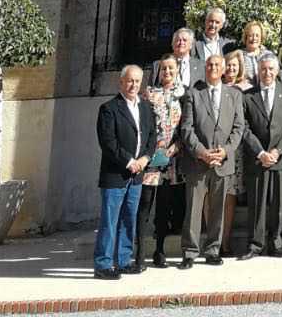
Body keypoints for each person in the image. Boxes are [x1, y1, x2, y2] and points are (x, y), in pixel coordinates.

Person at [178, 52, 244, 268]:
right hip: (198, 162)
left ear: (224, 68)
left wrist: (225, 151)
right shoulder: (193, 94)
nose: (213, 68)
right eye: (209, 64)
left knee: (218, 209)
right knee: (194, 209)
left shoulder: (234, 95)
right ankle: (189, 252)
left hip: (222, 162)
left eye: (217, 64)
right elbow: (186, 128)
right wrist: (201, 152)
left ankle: (213, 250)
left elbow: (238, 127)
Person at [94, 65, 156, 280]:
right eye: (130, 81)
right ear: (121, 82)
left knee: (129, 219)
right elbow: (108, 143)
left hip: (137, 174)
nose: (133, 85)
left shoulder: (146, 108)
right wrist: (130, 162)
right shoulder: (109, 108)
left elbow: (151, 137)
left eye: (137, 81)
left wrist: (145, 159)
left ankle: (123, 260)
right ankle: (103, 264)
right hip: (115, 174)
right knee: (110, 221)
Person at [239, 51, 282, 260]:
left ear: (277, 70)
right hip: (257, 158)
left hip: (280, 158)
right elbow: (244, 127)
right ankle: (255, 244)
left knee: (279, 205)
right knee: (257, 203)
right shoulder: (248, 96)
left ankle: (276, 242)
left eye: (271, 68)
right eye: (263, 69)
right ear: (258, 71)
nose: (267, 72)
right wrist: (260, 152)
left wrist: (278, 151)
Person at [136, 54, 184, 269]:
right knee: (145, 204)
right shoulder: (149, 94)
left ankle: (160, 250)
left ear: (177, 71)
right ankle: (139, 253)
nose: (167, 72)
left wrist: (177, 146)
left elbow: (187, 125)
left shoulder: (183, 94)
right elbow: (143, 125)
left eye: (171, 69)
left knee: (165, 206)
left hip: (172, 159)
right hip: (152, 157)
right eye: (164, 69)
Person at [219, 48, 252, 255]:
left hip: (236, 148)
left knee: (230, 194)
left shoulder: (246, 90)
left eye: (234, 65)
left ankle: (225, 241)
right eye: (228, 65)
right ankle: (214, 239)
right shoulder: (215, 87)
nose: (231, 69)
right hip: (215, 148)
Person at [150, 27, 197, 96]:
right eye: (178, 40)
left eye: (184, 40)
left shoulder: (201, 66)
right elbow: (150, 89)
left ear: (191, 45)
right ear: (172, 44)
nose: (181, 43)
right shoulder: (158, 65)